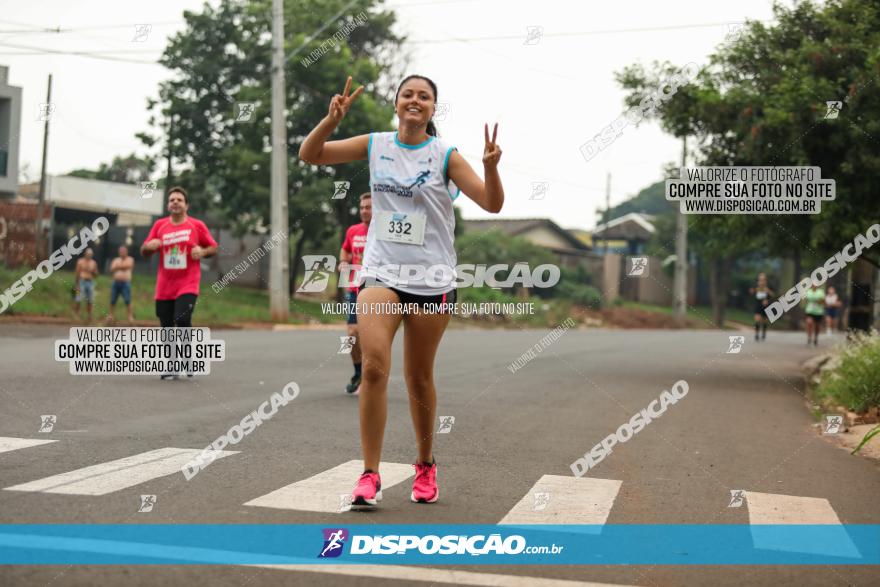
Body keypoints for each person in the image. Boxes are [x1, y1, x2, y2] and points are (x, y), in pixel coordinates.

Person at [299, 75, 504, 509]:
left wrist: (489, 167)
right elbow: (310, 154)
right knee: (374, 367)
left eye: (424, 97)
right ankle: (370, 474)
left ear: (432, 109)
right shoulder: (376, 144)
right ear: (396, 104)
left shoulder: (445, 155)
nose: (415, 100)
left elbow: (491, 204)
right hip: (381, 273)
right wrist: (330, 121)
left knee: (418, 378)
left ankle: (425, 463)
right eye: (408, 94)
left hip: (431, 279)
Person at [141, 186, 218, 379]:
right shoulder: (159, 226)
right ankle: (172, 363)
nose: (175, 202)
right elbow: (144, 251)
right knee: (166, 324)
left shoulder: (196, 225)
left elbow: (213, 247)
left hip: (188, 283)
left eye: (179, 200)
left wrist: (202, 252)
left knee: (182, 318)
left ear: (186, 205)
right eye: (172, 200)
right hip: (165, 285)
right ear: (168, 205)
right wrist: (149, 247)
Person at [339, 193, 372, 395]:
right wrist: (343, 261)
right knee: (352, 333)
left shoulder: (383, 230)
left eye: (368, 207)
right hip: (355, 288)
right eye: (362, 207)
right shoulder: (353, 230)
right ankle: (358, 372)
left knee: (370, 336)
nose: (364, 211)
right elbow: (345, 250)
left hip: (378, 289)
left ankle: (371, 377)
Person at [108, 245, 135, 324]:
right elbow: (111, 269)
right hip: (115, 283)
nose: (122, 252)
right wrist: (121, 267)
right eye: (120, 251)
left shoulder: (130, 259)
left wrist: (118, 267)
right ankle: (110, 316)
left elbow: (129, 266)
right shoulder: (115, 259)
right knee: (112, 300)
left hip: (125, 283)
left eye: (123, 251)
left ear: (126, 251)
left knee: (128, 300)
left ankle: (130, 317)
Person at [73, 248, 98, 323]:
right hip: (81, 281)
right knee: (78, 298)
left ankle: (89, 315)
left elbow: (96, 275)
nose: (89, 255)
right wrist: (77, 284)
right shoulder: (80, 261)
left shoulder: (93, 263)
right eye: (88, 254)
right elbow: (77, 273)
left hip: (90, 282)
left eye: (91, 254)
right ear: (85, 254)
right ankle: (77, 314)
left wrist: (94, 271)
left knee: (90, 299)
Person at [749, 272, 774, 341]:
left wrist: (768, 291)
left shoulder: (769, 285)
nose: (762, 281)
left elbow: (772, 294)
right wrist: (753, 290)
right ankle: (756, 334)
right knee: (757, 319)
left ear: (765, 280)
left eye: (763, 279)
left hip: (766, 304)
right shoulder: (756, 285)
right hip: (758, 303)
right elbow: (751, 292)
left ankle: (763, 332)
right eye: (760, 279)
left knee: (764, 321)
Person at [803, 281, 825, 346]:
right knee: (809, 323)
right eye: (813, 284)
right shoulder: (808, 292)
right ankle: (809, 337)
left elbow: (823, 301)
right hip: (809, 311)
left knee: (817, 326)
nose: (814, 286)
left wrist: (819, 301)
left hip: (818, 311)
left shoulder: (820, 292)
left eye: (816, 285)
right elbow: (805, 300)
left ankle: (816, 337)